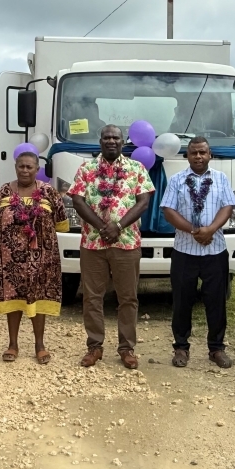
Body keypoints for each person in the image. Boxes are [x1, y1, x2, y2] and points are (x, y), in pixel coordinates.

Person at [69, 125, 154, 369]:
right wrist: (101, 227)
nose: (111, 141)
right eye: (106, 137)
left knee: (128, 298)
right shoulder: (86, 169)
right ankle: (94, 346)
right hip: (92, 243)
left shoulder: (136, 168)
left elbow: (144, 201)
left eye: (115, 137)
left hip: (126, 243)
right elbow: (77, 200)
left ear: (123, 141)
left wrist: (118, 226)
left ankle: (126, 348)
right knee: (92, 297)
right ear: (100, 141)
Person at [160, 137, 235, 369]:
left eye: (203, 152)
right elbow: (168, 210)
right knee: (182, 300)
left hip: (215, 249)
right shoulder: (177, 180)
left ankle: (216, 348)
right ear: (187, 156)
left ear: (210, 154)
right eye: (194, 153)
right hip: (185, 250)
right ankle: (181, 347)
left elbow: (228, 206)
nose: (198, 156)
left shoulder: (221, 178)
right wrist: (194, 230)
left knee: (216, 301)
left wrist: (211, 229)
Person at [0, 151, 69, 364]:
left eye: (29, 167)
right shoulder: (2, 193)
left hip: (41, 258)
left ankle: (39, 345)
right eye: (21, 166)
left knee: (38, 299)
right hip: (9, 260)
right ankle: (12, 344)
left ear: (37, 169)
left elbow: (62, 222)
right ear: (15, 167)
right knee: (13, 299)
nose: (25, 170)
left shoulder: (49, 192)